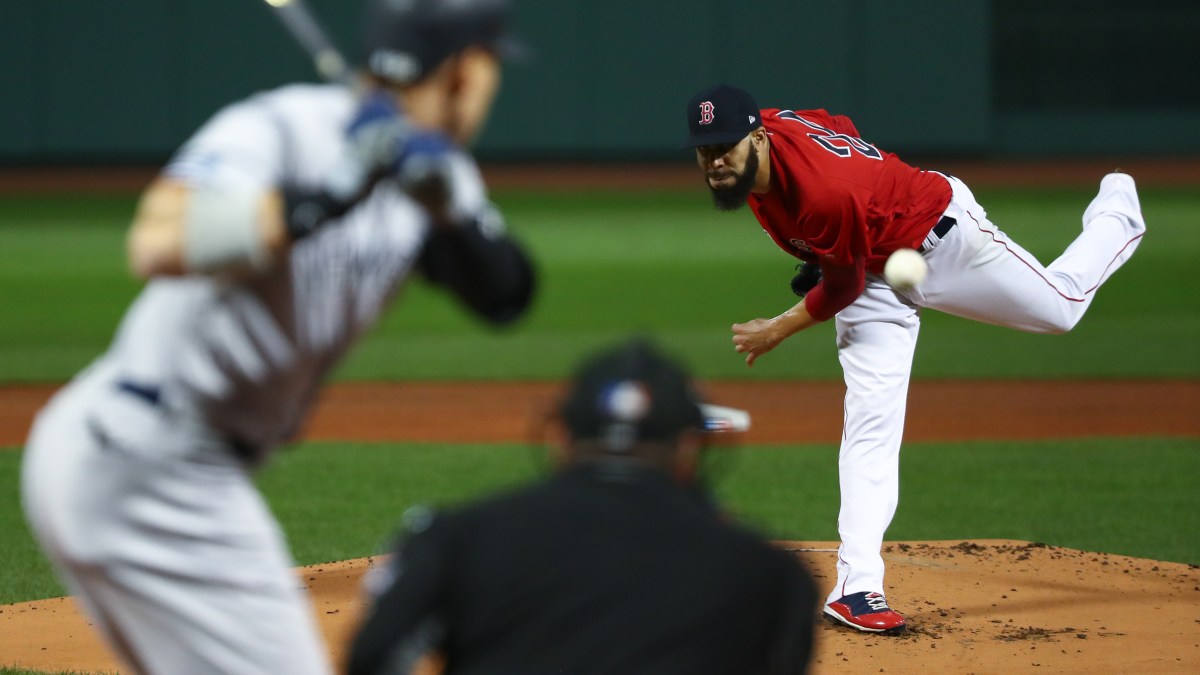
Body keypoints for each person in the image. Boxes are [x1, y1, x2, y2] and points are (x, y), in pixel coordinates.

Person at [20, 1, 535, 673]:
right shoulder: (287, 127)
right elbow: (155, 239)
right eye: (494, 64)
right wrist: (318, 200)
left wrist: (449, 217)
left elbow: (506, 296)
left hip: (163, 462)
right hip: (153, 463)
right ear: (464, 71)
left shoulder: (437, 169)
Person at [679, 84, 1145, 635]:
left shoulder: (824, 194)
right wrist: (848, 234)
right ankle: (857, 588)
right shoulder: (776, 133)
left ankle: (1119, 209)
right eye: (705, 150)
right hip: (872, 273)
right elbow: (838, 123)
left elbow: (841, 287)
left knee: (1061, 308)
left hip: (942, 240)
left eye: (726, 147)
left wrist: (775, 328)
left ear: (757, 137)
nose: (715, 161)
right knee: (870, 422)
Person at [347, 338, 818, 675]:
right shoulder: (770, 575)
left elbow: (372, 657)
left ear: (562, 439)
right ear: (687, 449)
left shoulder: (455, 539)